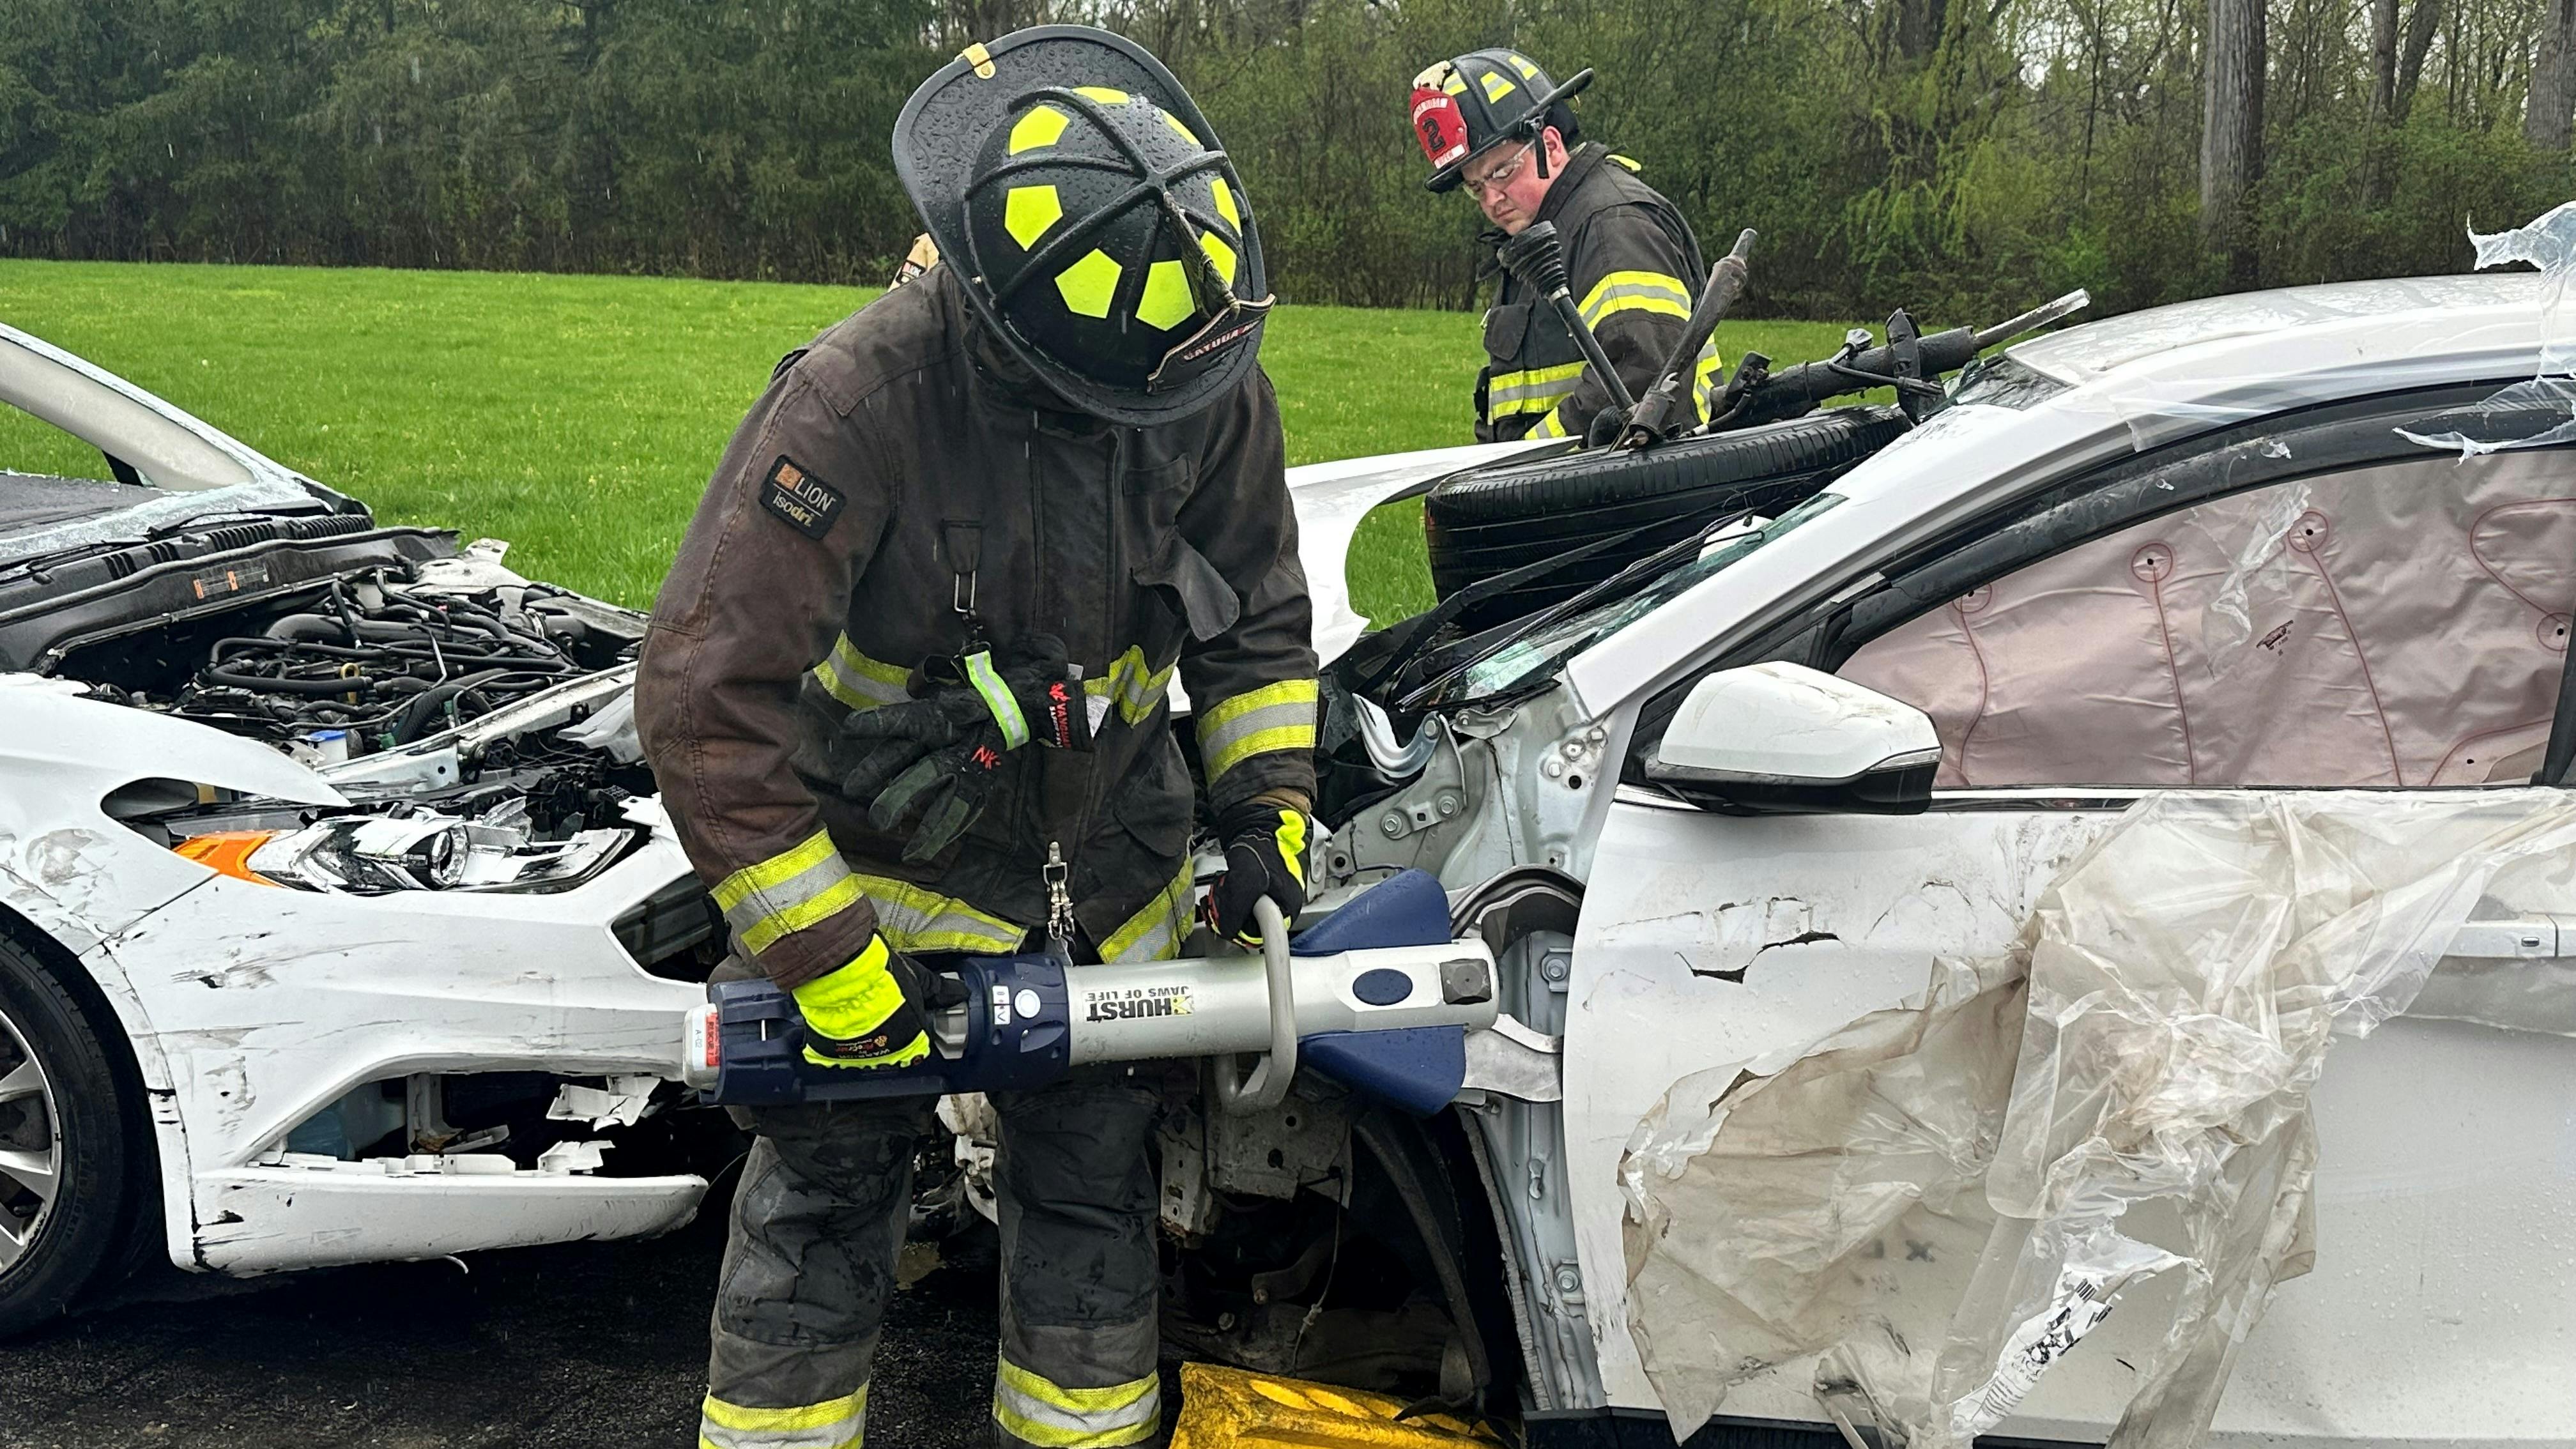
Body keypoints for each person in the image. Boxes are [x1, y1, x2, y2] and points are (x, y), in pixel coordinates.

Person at [634, 26, 1318, 1449]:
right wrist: (826, 959)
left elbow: (1257, 622)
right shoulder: (857, 400)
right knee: (822, 1217)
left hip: (1113, 889)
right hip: (881, 882)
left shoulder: (1193, 371)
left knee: (1094, 1213)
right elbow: (704, 695)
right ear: (1006, 328)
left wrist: (1269, 818)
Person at [1409, 49, 1721, 444]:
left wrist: (1521, 468)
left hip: (1628, 483)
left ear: (1552, 146)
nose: (1491, 199)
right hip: (1567, 482)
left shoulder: (1610, 227)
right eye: (1475, 187)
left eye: (1502, 171)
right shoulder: (1540, 238)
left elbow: (1640, 382)